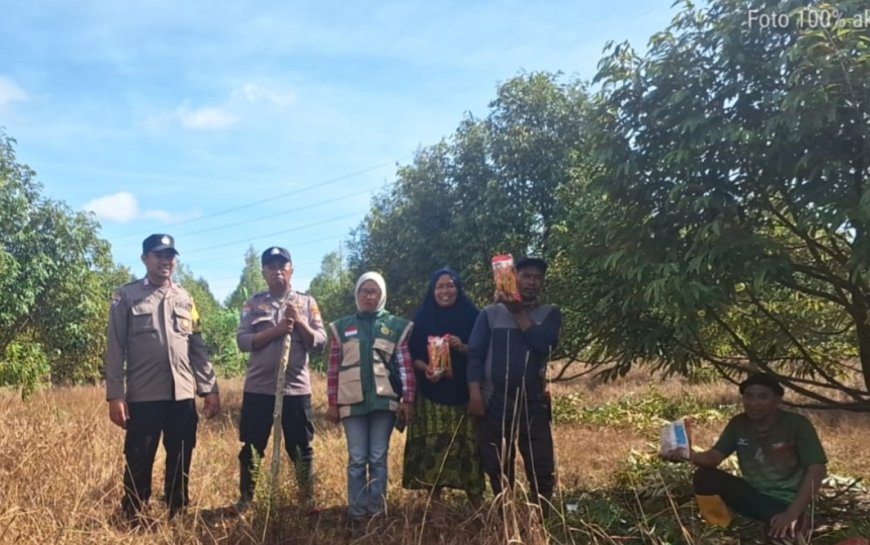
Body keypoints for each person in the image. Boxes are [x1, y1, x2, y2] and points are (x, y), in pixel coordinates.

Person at [105, 234, 221, 523]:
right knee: (139, 459)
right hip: (144, 397)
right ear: (145, 259)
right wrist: (115, 394)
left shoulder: (185, 298)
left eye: (170, 256)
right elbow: (115, 347)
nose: (166, 261)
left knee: (181, 457)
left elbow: (198, 347)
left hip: (182, 397)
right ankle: (133, 513)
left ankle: (177, 512)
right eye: (159, 255)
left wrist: (209, 388)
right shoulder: (126, 296)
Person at [663, 373, 828, 540]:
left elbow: (817, 470)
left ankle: (789, 523)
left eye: (763, 397)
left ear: (777, 400)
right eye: (748, 396)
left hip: (785, 501)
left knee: (787, 536)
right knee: (705, 476)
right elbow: (715, 457)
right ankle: (718, 529)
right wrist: (688, 455)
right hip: (752, 494)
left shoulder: (797, 425)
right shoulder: (738, 424)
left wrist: (792, 513)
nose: (754, 403)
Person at [234, 246, 327, 513]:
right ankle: (246, 500)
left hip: (295, 388)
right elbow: (242, 341)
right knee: (252, 445)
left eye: (282, 266)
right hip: (259, 388)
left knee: (301, 446)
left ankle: (307, 500)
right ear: (263, 272)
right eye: (271, 267)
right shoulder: (253, 304)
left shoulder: (307, 303)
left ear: (291, 270)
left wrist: (299, 322)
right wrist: (275, 331)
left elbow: (319, 341)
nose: (277, 271)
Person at [467, 256, 561, 512]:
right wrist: (475, 393)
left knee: (541, 462)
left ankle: (542, 515)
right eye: (527, 276)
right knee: (498, 463)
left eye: (537, 277)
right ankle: (505, 513)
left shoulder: (549, 314)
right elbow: (474, 354)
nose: (532, 282)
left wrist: (518, 311)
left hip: (533, 402)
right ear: (513, 277)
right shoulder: (489, 314)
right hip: (495, 400)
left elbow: (544, 345)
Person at [326, 271, 416, 537]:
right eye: (364, 291)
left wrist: (408, 399)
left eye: (374, 291)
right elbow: (333, 369)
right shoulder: (341, 327)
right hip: (351, 404)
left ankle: (377, 513)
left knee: (378, 458)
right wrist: (332, 403)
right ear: (357, 294)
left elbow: (404, 366)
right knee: (356, 459)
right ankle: (356, 514)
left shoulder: (395, 326)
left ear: (382, 295)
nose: (369, 295)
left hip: (383, 404)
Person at [402, 267, 485, 508]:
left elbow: (483, 351)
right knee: (433, 450)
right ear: (432, 290)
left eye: (450, 285)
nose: (445, 290)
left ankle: (477, 505)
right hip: (431, 396)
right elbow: (412, 354)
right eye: (440, 286)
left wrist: (463, 347)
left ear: (458, 289)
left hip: (465, 393)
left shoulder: (473, 317)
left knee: (469, 448)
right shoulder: (423, 318)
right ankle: (435, 508)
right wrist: (425, 367)